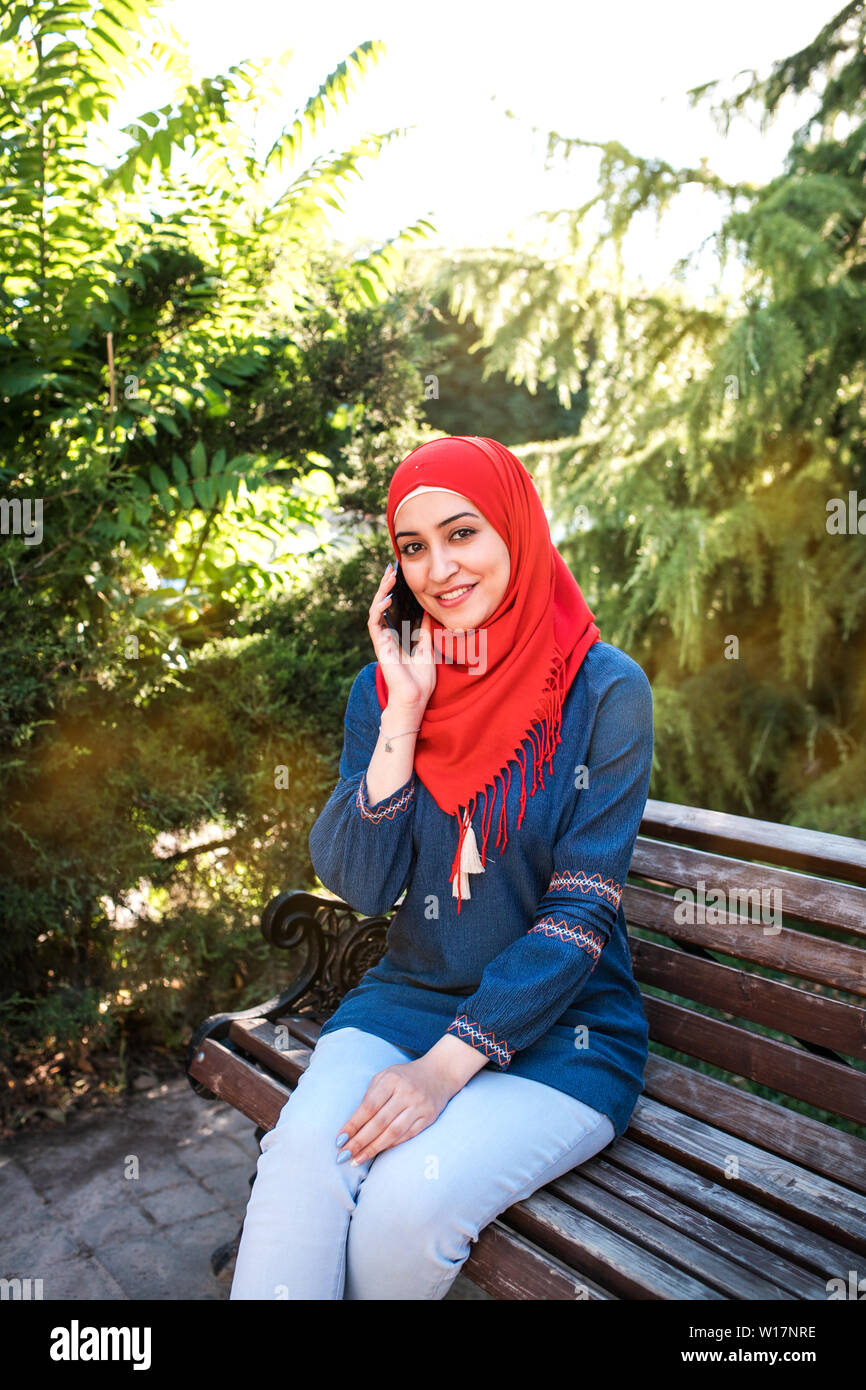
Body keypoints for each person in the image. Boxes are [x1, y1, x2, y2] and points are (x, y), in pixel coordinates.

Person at [230, 435, 654, 1300]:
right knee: (301, 1165)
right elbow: (359, 885)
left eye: (462, 533)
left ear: (515, 530)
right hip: (403, 1002)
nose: (439, 567)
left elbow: (579, 915)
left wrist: (447, 1065)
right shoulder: (382, 690)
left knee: (403, 1211)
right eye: (412, 547)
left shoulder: (605, 692)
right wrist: (405, 711)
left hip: (563, 1032)